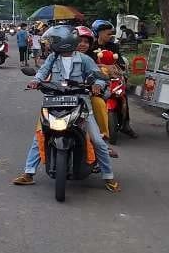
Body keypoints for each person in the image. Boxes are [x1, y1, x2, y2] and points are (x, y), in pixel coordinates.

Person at [12, 24, 120, 192]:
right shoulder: (52, 58)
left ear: (64, 41)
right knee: (39, 136)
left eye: (53, 40)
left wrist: (97, 85)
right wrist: (36, 81)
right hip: (54, 101)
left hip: (80, 103)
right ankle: (28, 173)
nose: (50, 43)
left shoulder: (84, 59)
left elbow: (99, 77)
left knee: (98, 141)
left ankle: (108, 176)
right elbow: (42, 72)